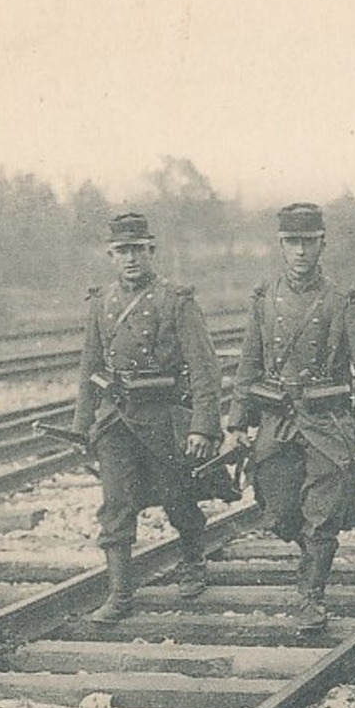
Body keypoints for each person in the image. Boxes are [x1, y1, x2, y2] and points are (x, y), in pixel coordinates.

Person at [228, 203, 355, 632]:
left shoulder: (340, 300)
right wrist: (238, 422)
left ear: (322, 244)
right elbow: (248, 364)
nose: (301, 251)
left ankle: (311, 596)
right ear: (281, 245)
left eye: (308, 242)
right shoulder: (264, 299)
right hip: (277, 420)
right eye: (292, 242)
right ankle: (310, 556)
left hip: (326, 421)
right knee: (277, 511)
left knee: (322, 512)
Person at [71, 213, 222, 622]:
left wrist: (203, 426)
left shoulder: (176, 301)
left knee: (179, 498)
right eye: (123, 251)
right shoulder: (102, 302)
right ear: (111, 256)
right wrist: (81, 426)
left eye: (138, 250)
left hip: (163, 419)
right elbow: (89, 367)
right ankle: (120, 596)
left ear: (152, 252)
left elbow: (205, 367)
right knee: (116, 505)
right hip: (116, 421)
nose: (131, 259)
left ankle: (193, 562)